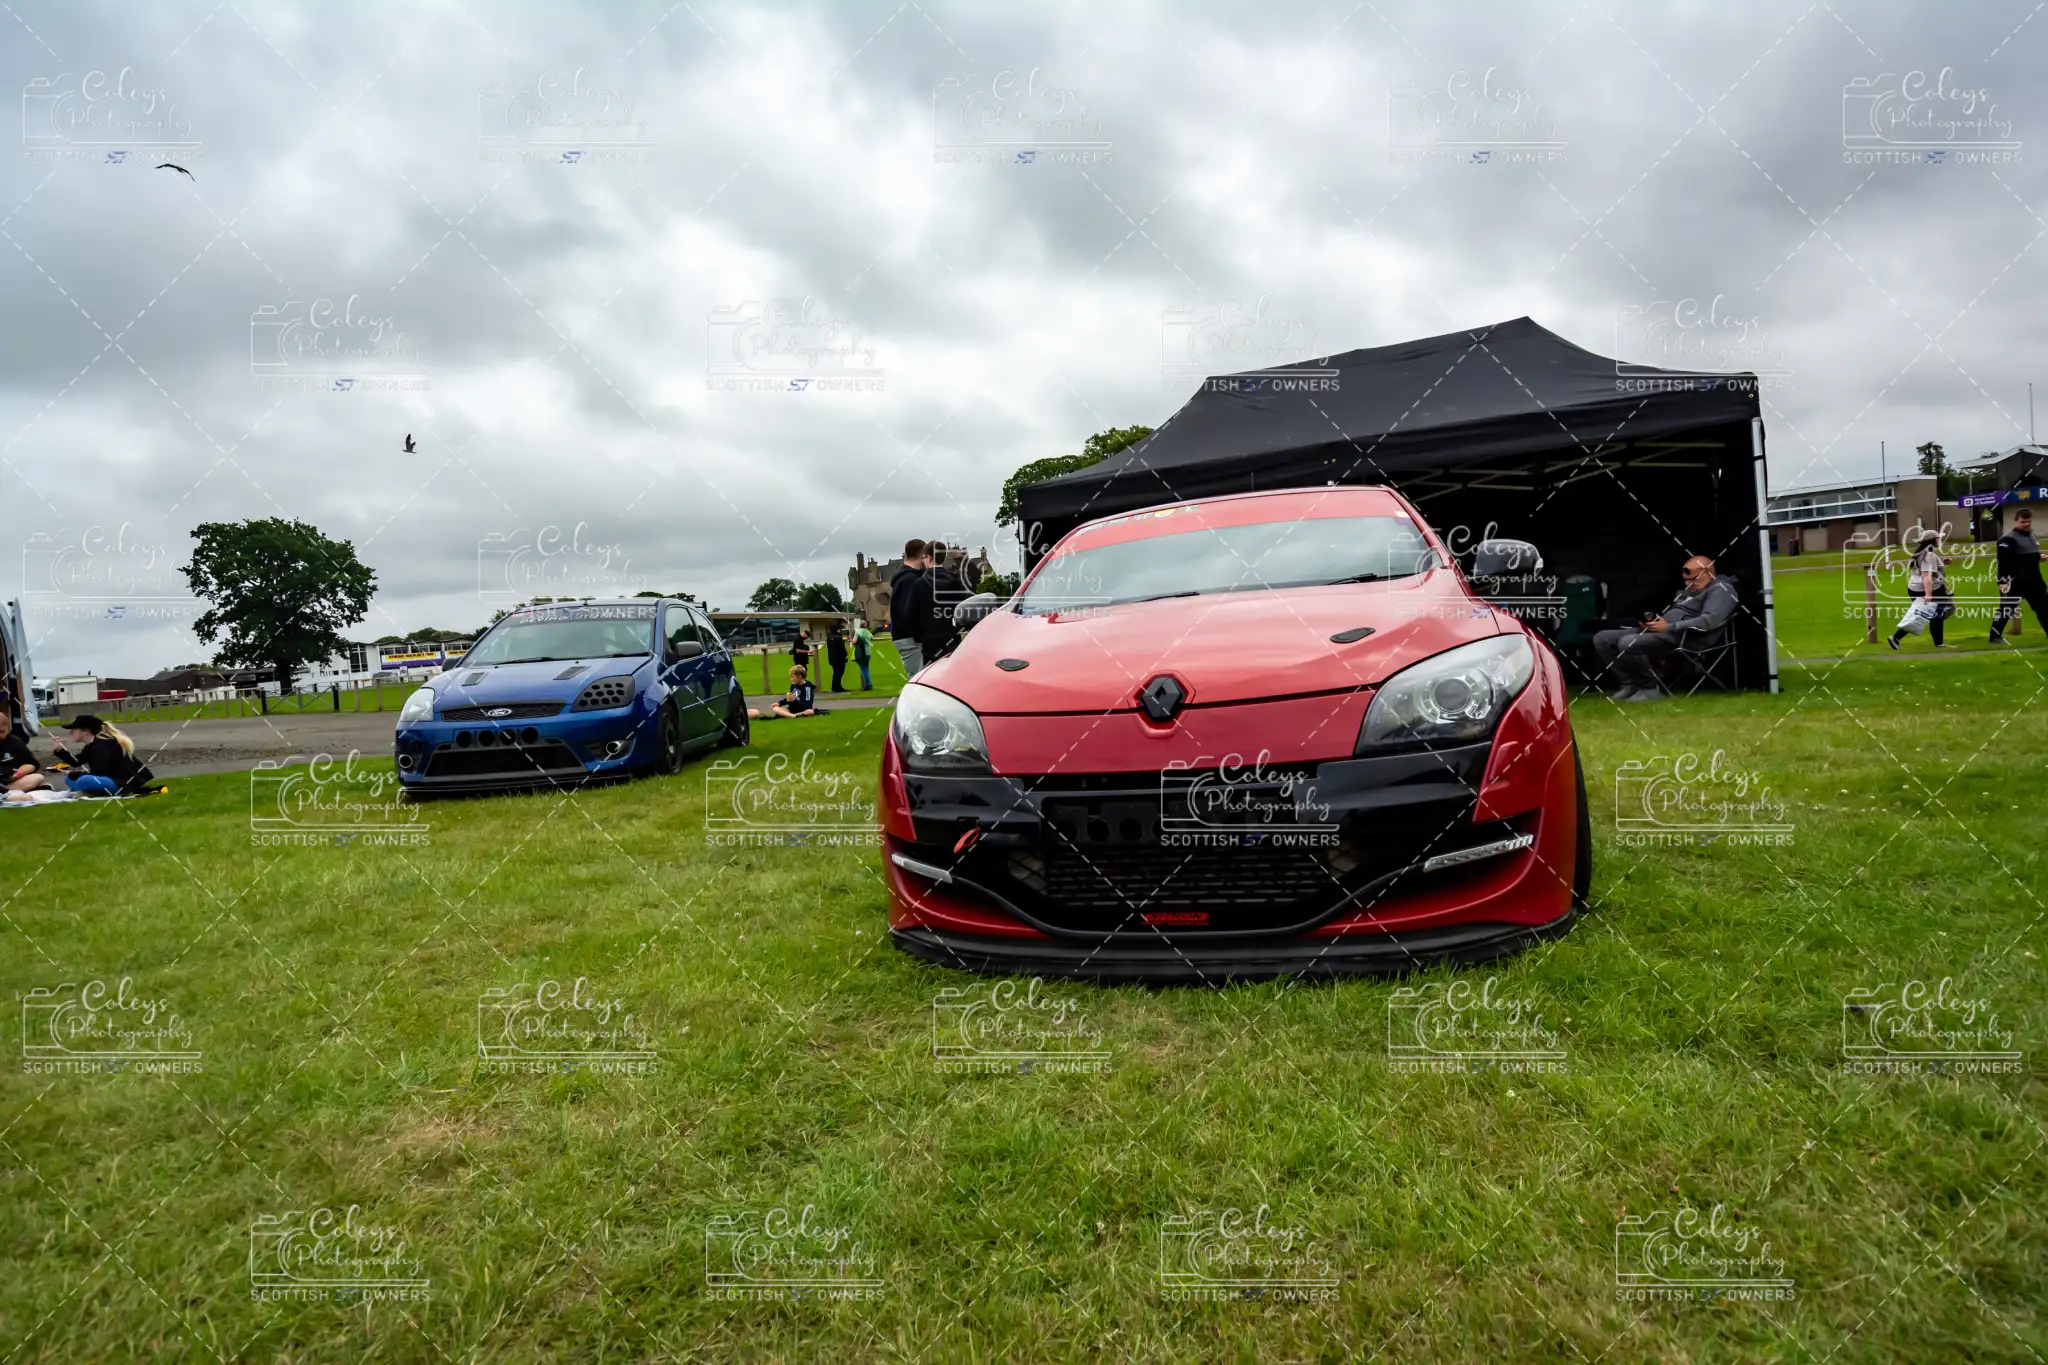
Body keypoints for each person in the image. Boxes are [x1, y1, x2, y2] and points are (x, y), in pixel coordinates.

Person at [1592, 555, 1738, 702]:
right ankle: (1630, 684)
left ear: (1707, 572)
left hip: (1688, 637)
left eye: (1692, 579)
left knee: (1628, 642)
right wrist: (1654, 623)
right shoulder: (1691, 590)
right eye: (1685, 580)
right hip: (1664, 631)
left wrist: (1668, 627)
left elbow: (1708, 622)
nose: (1688, 584)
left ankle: (1649, 689)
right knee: (1602, 639)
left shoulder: (1722, 590)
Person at [49, 714, 153, 795]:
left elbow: (99, 773)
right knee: (69, 779)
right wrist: (59, 750)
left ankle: (92, 791)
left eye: (73, 729)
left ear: (85, 731)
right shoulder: (92, 744)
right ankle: (93, 791)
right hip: (109, 779)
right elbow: (77, 762)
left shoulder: (103, 744)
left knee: (83, 780)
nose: (70, 733)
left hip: (123, 782)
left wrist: (75, 774)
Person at [1990, 506, 2048, 644]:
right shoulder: (2007, 540)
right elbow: (2004, 562)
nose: (2026, 524)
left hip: (2034, 580)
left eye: (2029, 521)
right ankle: (1995, 636)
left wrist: (2039, 557)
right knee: (2006, 610)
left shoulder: (2032, 535)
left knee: (2044, 608)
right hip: (2015, 582)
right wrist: (2002, 582)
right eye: (2023, 522)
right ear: (2015, 521)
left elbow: (2028, 555)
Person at [1888, 531, 1954, 650]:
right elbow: (1926, 575)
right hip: (1929, 589)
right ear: (1932, 540)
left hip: (1918, 588)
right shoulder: (1928, 555)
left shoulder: (1923, 552)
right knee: (1933, 614)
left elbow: (1925, 568)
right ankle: (1896, 637)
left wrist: (1942, 562)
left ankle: (1897, 637)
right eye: (1938, 538)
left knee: (1928, 614)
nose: (1939, 540)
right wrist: (1928, 594)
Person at [890, 539, 933, 677]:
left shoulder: (905, 578)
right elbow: (908, 612)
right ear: (922, 555)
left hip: (907, 638)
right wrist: (920, 636)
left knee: (921, 678)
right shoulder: (909, 579)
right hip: (910, 639)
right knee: (920, 679)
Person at [922, 541, 966, 665]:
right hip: (952, 640)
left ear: (929, 558)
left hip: (929, 645)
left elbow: (910, 616)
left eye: (924, 558)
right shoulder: (956, 581)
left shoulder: (918, 584)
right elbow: (962, 609)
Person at [748, 665, 820, 720]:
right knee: (775, 709)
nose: (791, 679)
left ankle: (793, 715)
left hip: (803, 710)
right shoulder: (795, 686)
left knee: (810, 711)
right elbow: (790, 699)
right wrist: (779, 703)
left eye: (792, 677)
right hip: (792, 710)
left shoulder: (807, 688)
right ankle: (794, 716)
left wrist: (794, 700)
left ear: (800, 676)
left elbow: (807, 705)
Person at [1, 711, 48, 793]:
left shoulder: (14, 741)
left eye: (2, 732)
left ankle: (6, 792)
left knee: (38, 777)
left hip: (9, 781)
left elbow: (32, 764)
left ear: (7, 729)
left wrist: (19, 773)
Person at [825, 625, 849, 693]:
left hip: (832, 657)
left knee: (836, 672)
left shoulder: (829, 637)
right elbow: (842, 647)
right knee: (840, 672)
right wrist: (845, 655)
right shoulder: (838, 637)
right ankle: (837, 687)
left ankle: (835, 686)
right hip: (839, 657)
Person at [853, 620, 874, 691]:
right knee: (866, 669)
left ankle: (868, 685)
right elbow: (872, 637)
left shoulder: (858, 632)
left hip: (861, 652)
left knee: (863, 669)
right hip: (868, 652)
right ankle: (869, 683)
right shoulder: (867, 631)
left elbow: (854, 642)